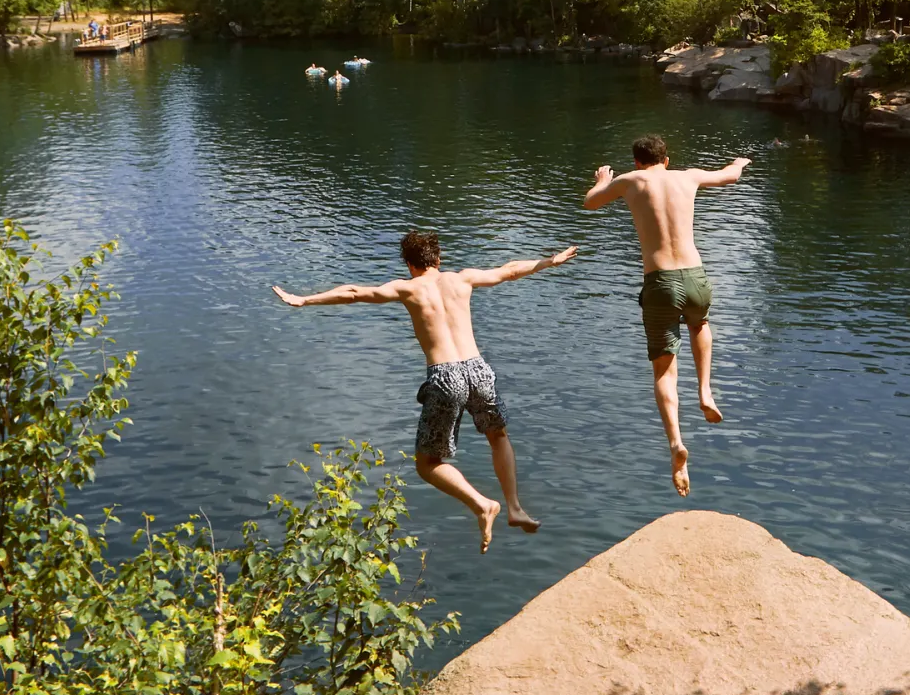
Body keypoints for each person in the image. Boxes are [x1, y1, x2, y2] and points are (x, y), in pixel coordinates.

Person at [273, 231, 575, 550]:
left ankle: (482, 504)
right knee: (498, 436)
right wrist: (549, 261)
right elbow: (511, 269)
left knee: (427, 464)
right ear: (439, 259)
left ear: (408, 264)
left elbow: (352, 292)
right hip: (479, 369)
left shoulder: (407, 288)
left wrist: (304, 299)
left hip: (445, 377)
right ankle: (514, 507)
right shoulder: (463, 279)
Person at [582, 135, 749, 495]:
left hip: (660, 283)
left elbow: (591, 203)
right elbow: (729, 177)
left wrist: (602, 179)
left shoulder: (630, 180)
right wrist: (739, 163)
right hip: (696, 278)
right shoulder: (687, 176)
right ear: (667, 160)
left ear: (637, 161)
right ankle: (706, 392)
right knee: (700, 324)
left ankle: (675, 442)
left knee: (664, 369)